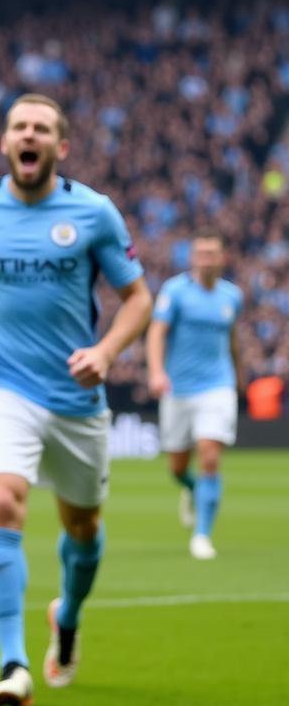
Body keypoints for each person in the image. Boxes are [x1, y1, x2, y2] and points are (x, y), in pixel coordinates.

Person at [0, 94, 152, 706]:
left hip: (77, 394)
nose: (30, 135)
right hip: (3, 386)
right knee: (3, 500)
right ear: (5, 142)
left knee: (83, 527)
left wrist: (105, 353)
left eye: (43, 128)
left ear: (61, 146)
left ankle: (68, 616)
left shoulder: (93, 213)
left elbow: (137, 299)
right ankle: (14, 664)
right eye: (20, 126)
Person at [146, 231, 243, 560]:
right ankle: (191, 489)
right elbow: (157, 332)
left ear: (222, 257)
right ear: (192, 257)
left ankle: (202, 535)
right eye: (200, 252)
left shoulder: (232, 296)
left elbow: (232, 341)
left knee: (210, 456)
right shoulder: (175, 292)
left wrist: (239, 376)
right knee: (177, 467)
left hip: (217, 386)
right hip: (178, 389)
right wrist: (157, 372)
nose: (205, 258)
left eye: (211, 253)